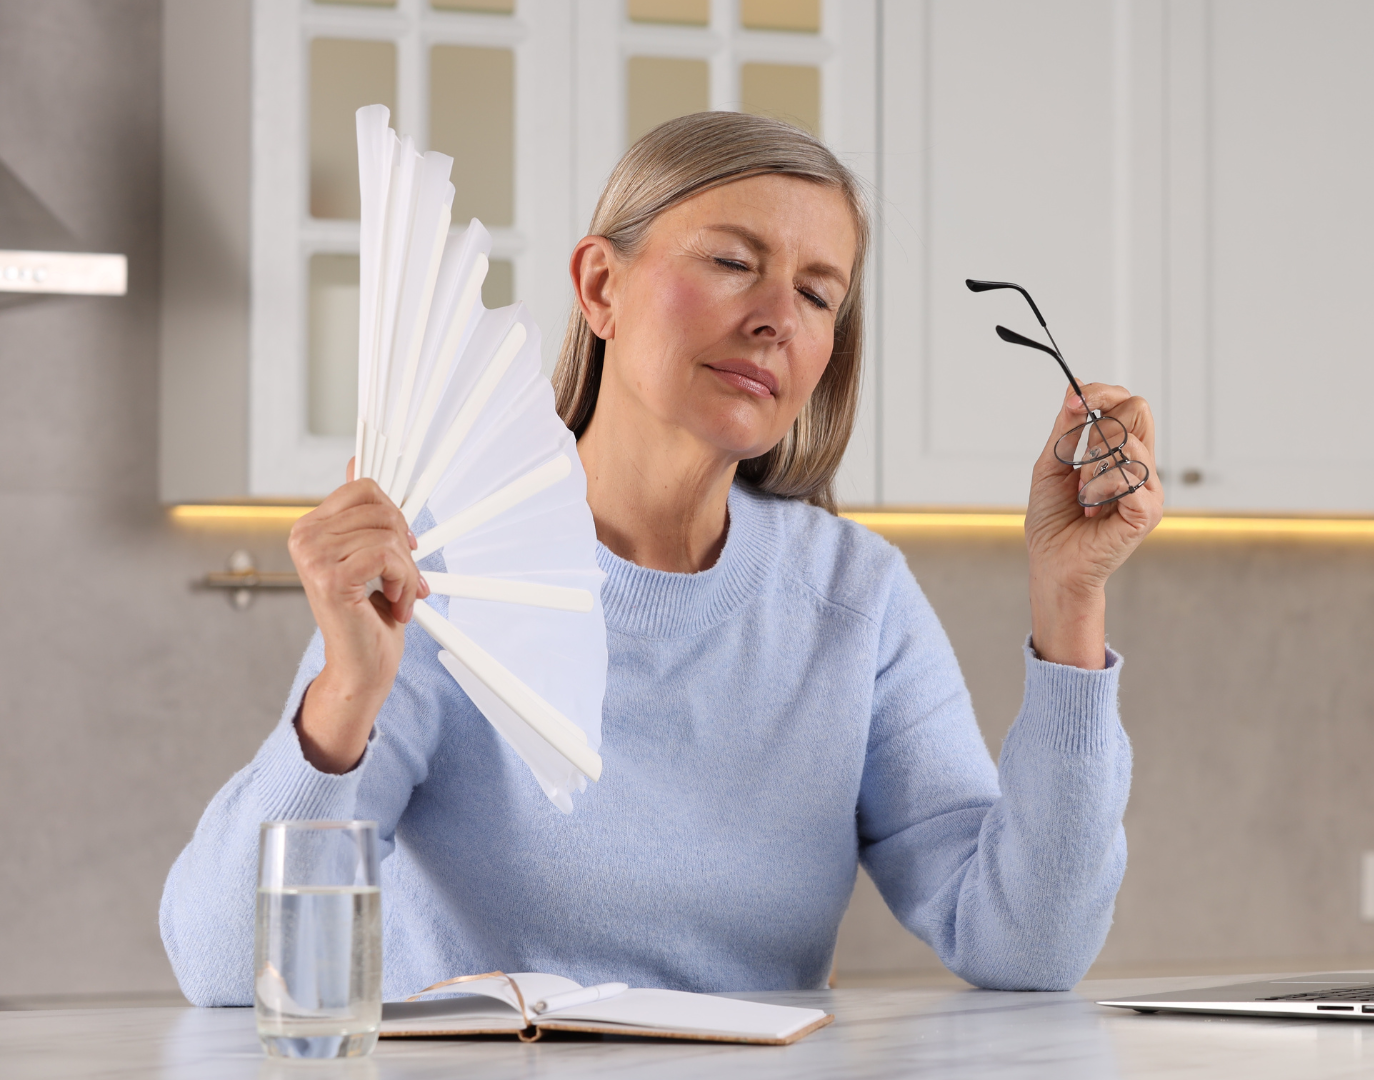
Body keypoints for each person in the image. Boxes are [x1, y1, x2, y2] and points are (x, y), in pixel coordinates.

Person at [160, 112, 1163, 1003]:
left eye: (819, 294)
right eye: (732, 262)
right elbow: (223, 967)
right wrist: (346, 693)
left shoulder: (855, 597)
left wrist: (1068, 601)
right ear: (601, 285)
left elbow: (1028, 946)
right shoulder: (441, 573)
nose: (777, 314)